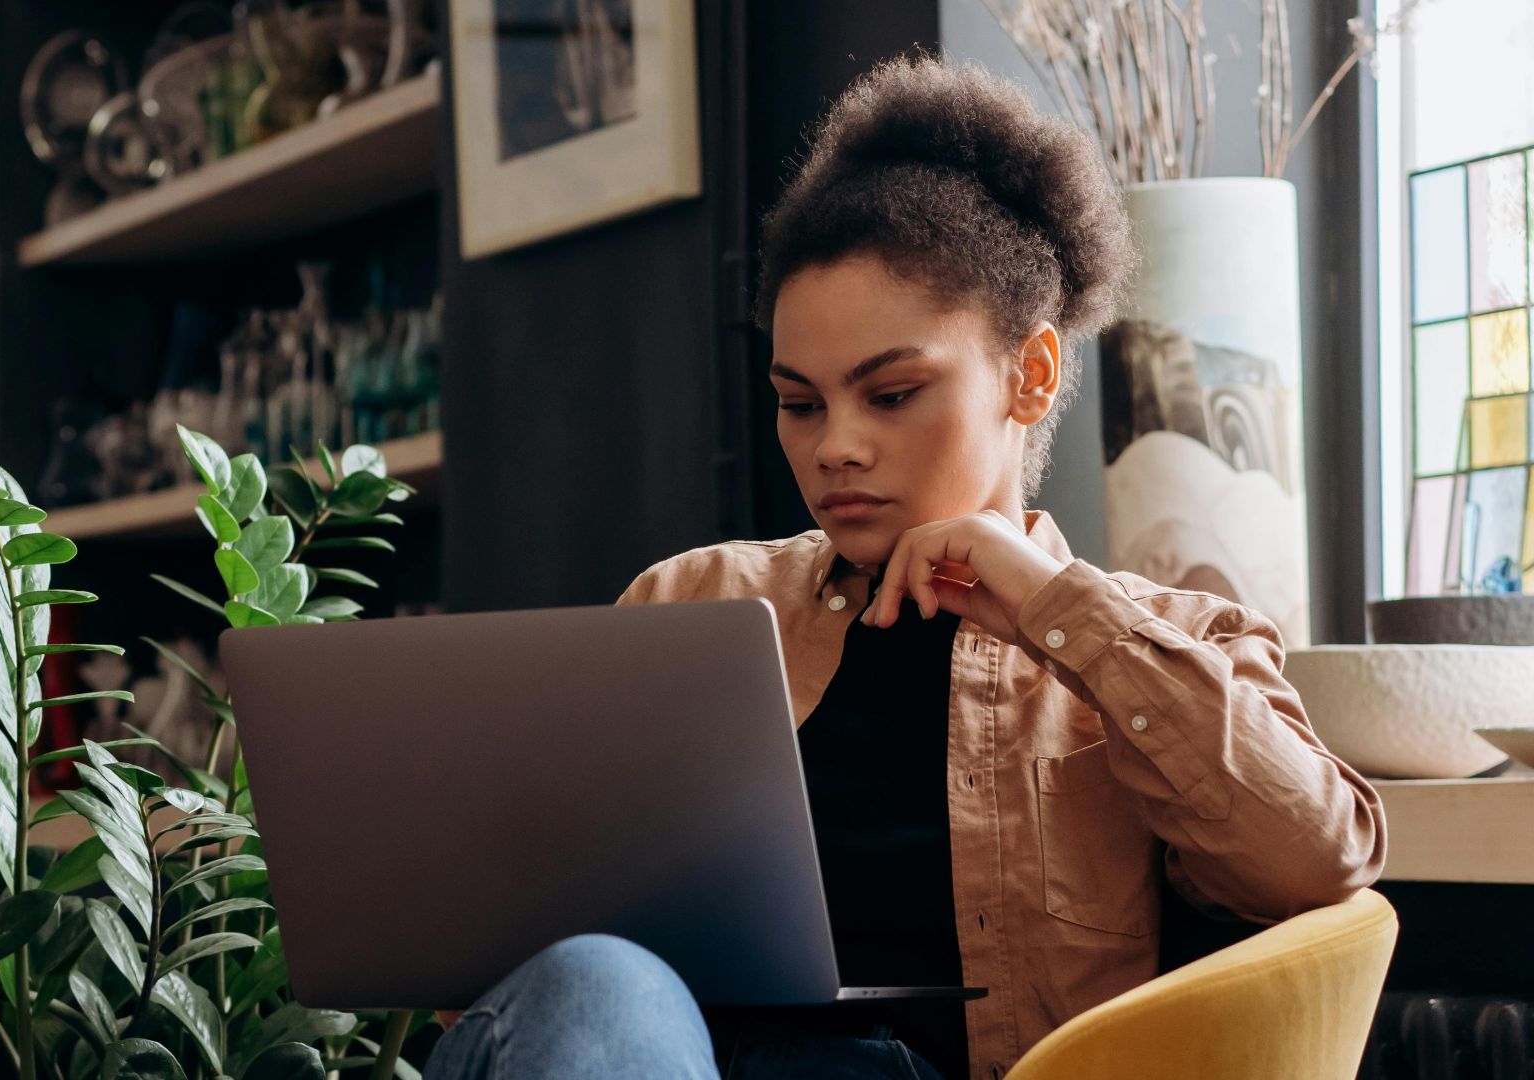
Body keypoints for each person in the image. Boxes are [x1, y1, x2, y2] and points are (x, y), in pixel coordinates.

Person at [423, 56, 1386, 1080]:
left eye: (890, 395)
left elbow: (1320, 862)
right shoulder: (691, 603)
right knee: (597, 988)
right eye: (800, 402)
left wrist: (1060, 610)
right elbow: (517, 936)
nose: (835, 446)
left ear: (1032, 373)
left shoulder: (1171, 643)